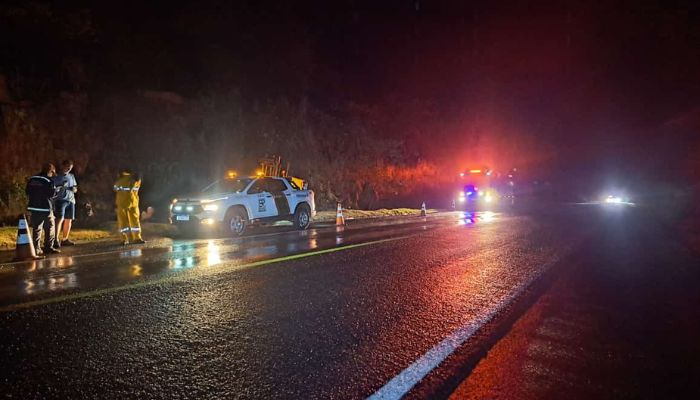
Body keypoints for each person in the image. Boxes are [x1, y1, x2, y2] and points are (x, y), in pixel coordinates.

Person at [26, 163, 60, 254]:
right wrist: (57, 190)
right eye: (53, 173)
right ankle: (48, 247)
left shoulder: (32, 179)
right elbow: (51, 194)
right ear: (51, 171)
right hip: (45, 207)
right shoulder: (49, 181)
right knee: (50, 227)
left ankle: (36, 248)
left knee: (36, 228)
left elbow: (27, 191)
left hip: (34, 207)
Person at [113, 169, 146, 245]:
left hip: (130, 203)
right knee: (126, 222)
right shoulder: (126, 180)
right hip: (125, 203)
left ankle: (131, 239)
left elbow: (116, 188)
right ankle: (129, 239)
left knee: (131, 222)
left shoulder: (134, 180)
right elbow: (117, 188)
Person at [53, 159, 78, 246]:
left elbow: (75, 188)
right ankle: (55, 239)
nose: (68, 169)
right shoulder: (56, 177)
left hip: (71, 200)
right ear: (62, 166)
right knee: (59, 219)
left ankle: (65, 239)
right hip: (60, 200)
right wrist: (60, 187)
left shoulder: (71, 176)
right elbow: (53, 189)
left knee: (69, 220)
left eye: (70, 168)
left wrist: (74, 189)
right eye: (67, 167)